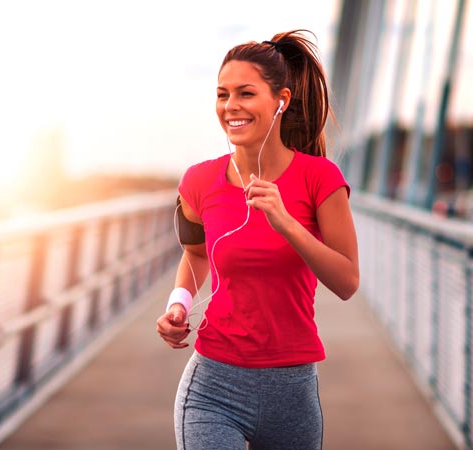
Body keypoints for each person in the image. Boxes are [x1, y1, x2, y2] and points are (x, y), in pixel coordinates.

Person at [155, 29, 359, 450]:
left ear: (280, 100)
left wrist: (287, 223)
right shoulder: (199, 181)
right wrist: (178, 304)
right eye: (222, 94)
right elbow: (195, 255)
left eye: (245, 94)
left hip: (293, 391)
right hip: (214, 386)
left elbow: (347, 282)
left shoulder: (321, 179)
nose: (231, 107)